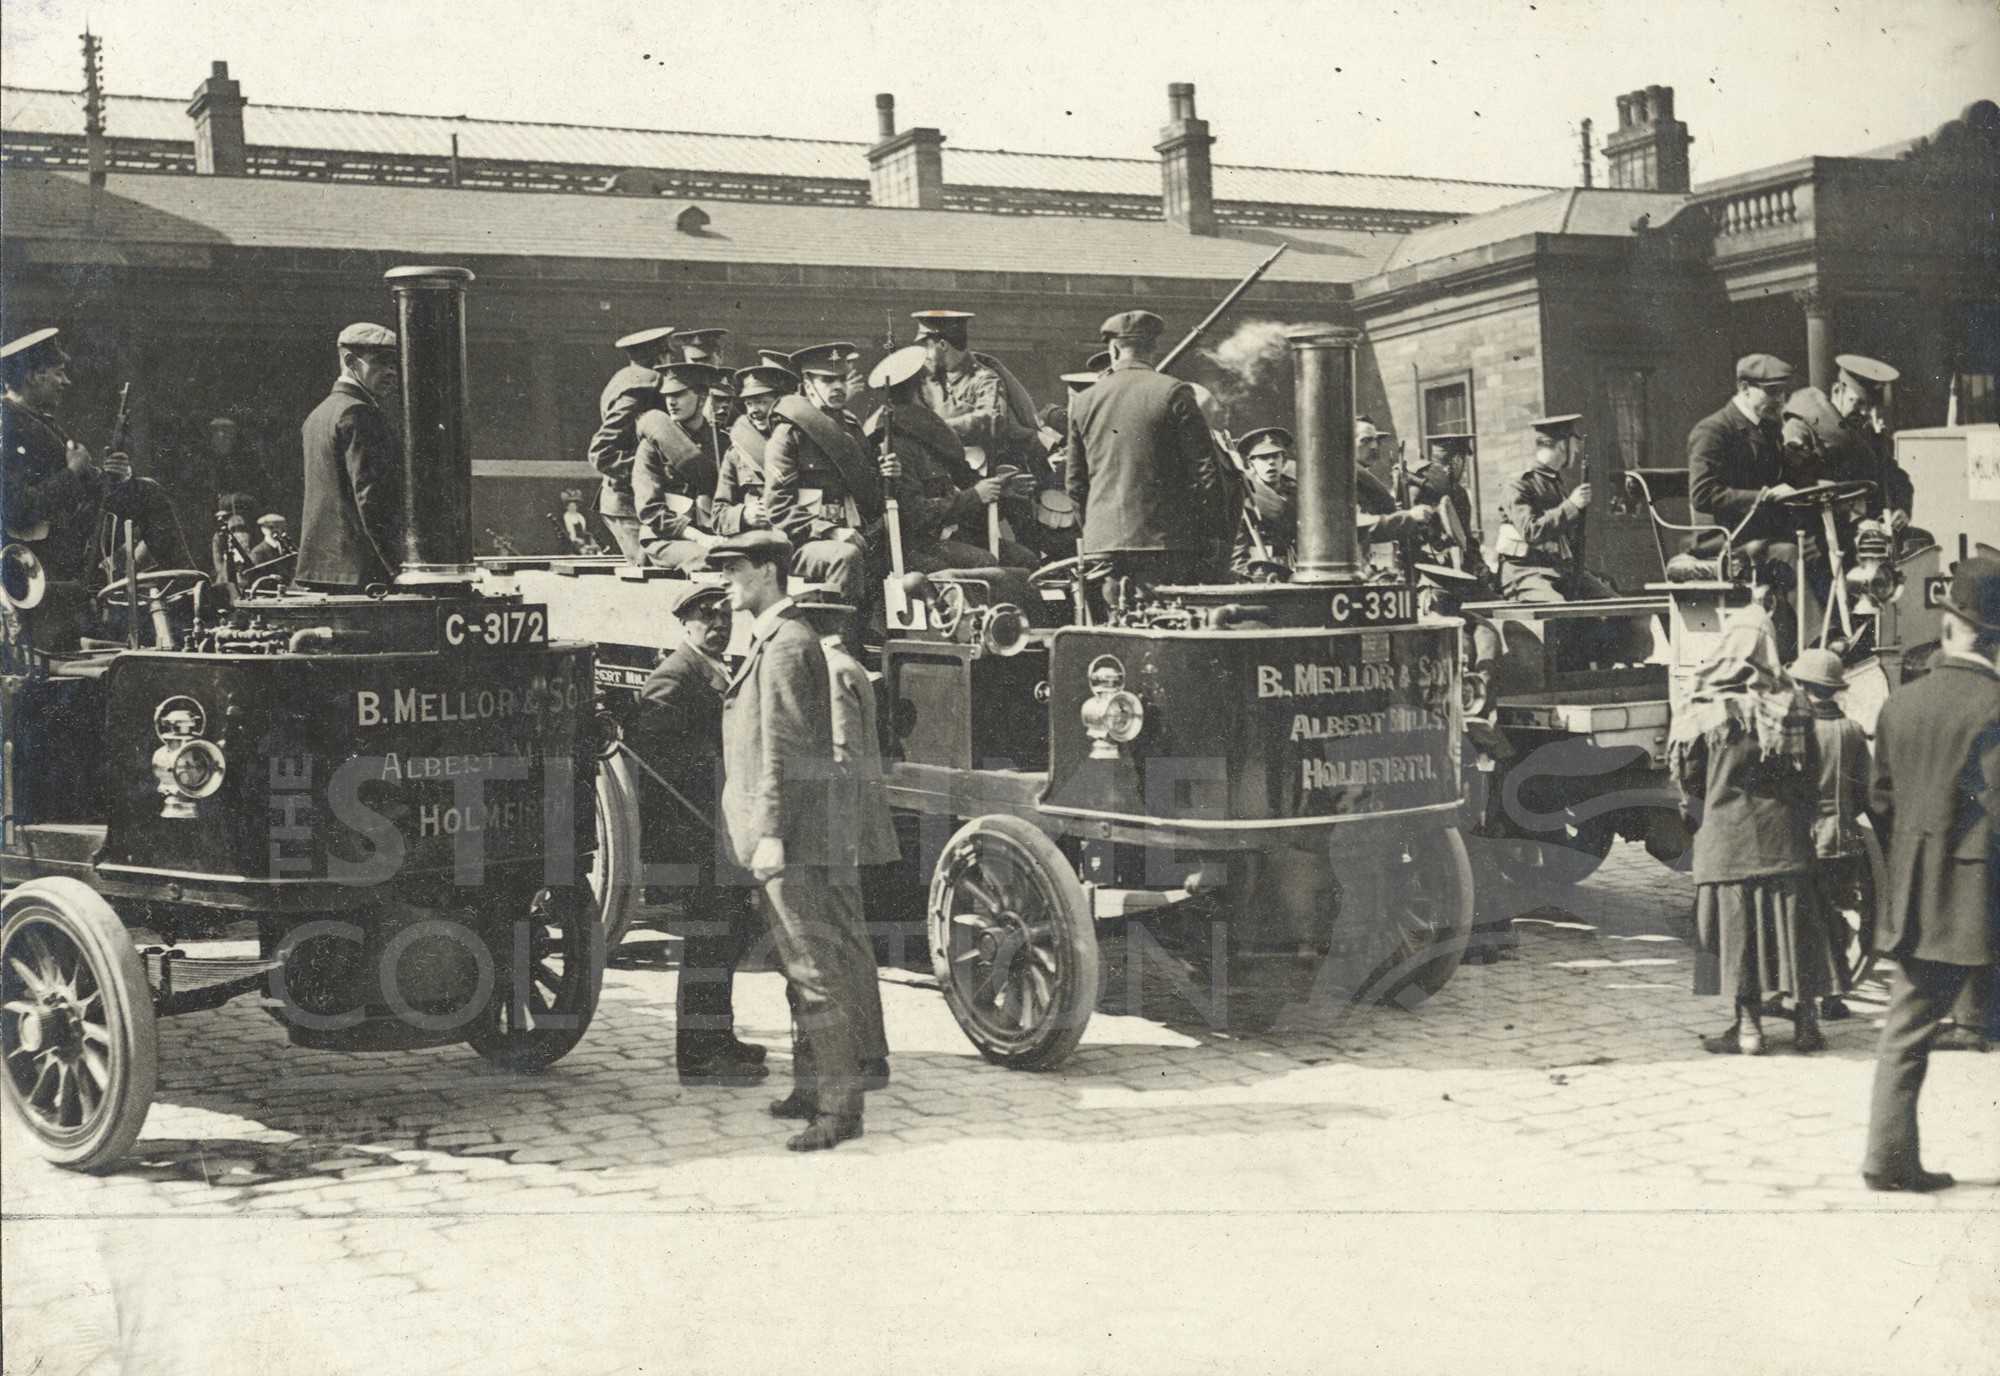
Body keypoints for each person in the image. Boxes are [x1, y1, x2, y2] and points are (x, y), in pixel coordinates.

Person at [706, 529, 873, 1151]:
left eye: (736, 569)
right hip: (783, 832)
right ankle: (810, 1088)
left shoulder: (783, 645)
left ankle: (838, 1108)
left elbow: (783, 750)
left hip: (789, 836)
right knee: (794, 963)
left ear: (770, 574)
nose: (726, 581)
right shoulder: (776, 638)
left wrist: (772, 831)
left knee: (812, 968)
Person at [1860, 556, 2000, 1192]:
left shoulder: (1901, 704)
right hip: (1983, 894)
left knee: (1906, 1033)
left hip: (1921, 895)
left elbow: (1881, 804)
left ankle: (1886, 1160)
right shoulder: (1993, 708)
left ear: (1949, 627)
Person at [1669, 606, 1838, 1055]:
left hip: (1727, 840)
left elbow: (1689, 778)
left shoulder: (1704, 707)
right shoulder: (1795, 703)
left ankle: (1748, 1030)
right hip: (1785, 839)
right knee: (1796, 931)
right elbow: (1811, 774)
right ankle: (1807, 1027)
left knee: (1737, 935)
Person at [628, 581, 770, 1087]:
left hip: (720, 832)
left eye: (724, 614)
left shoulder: (714, 671)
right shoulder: (671, 680)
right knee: (709, 941)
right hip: (696, 835)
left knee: (727, 937)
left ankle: (719, 1037)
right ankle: (699, 1056)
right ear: (684, 623)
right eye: (706, 616)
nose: (718, 623)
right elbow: (663, 774)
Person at [2, 329, 196, 628]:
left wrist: (114, 477)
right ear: (34, 376)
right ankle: (190, 592)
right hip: (43, 557)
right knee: (148, 495)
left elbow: (89, 485)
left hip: (66, 547)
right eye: (59, 373)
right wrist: (73, 472)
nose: (66, 382)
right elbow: (16, 508)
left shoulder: (37, 420)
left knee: (145, 492)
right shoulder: (9, 424)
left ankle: (184, 588)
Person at [1065, 309, 1235, 603]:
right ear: (1153, 350)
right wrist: (1212, 534)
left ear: (1114, 348)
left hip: (1105, 544)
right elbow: (1206, 471)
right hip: (1166, 541)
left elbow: (1075, 482)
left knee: (1117, 628)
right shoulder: (1174, 392)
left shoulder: (1083, 401)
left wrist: (1095, 527)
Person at [794, 598, 894, 1086]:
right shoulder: (846, 665)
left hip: (832, 829)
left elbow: (841, 759)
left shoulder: (832, 672)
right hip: (842, 827)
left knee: (842, 937)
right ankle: (862, 1050)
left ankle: (864, 1051)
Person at [863, 344, 1037, 574]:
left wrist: (1001, 488)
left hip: (950, 537)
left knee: (1025, 559)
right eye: (937, 384)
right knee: (986, 563)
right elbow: (917, 515)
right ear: (921, 389)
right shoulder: (896, 444)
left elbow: (967, 482)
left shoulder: (932, 435)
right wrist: (976, 496)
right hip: (917, 547)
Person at [762, 343, 877, 618]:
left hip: (852, 532)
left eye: (841, 379)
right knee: (845, 557)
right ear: (807, 384)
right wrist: (830, 531)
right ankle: (841, 649)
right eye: (827, 380)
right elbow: (778, 508)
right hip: (799, 543)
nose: (837, 387)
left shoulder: (850, 429)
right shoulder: (789, 434)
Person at [1788, 648, 1867, 1022]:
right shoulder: (1852, 730)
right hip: (1845, 840)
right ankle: (1835, 995)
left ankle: (1804, 999)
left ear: (1804, 686)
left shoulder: (1798, 731)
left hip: (1805, 840)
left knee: (1805, 919)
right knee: (1838, 916)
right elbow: (1865, 789)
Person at [297, 322, 403, 590]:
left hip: (324, 572)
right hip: (363, 574)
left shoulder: (319, 414)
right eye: (380, 363)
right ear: (349, 361)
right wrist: (398, 568)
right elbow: (371, 498)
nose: (391, 372)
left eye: (394, 364)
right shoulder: (359, 413)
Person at [1495, 414, 1617, 603]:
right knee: (1558, 608)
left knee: (1615, 604)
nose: (1576, 451)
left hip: (1561, 571)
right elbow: (1531, 530)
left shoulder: (1555, 482)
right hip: (1525, 573)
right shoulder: (1518, 484)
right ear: (1562, 445)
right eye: (1574, 444)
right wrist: (1571, 506)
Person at [1687, 353, 1796, 552]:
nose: (1780, 400)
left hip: (1761, 530)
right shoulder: (1713, 430)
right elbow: (1702, 494)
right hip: (1725, 537)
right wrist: (1764, 496)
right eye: (1772, 391)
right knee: (1789, 553)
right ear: (1745, 388)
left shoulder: (1768, 428)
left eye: (1783, 392)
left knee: (1822, 547)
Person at [588, 326, 675, 562]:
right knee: (651, 574)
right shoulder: (642, 387)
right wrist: (648, 470)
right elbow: (601, 452)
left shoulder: (624, 379)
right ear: (660, 357)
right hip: (628, 503)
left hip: (628, 501)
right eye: (668, 354)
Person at [630, 362, 726, 569]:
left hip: (714, 534)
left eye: (679, 395)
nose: (671, 402)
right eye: (667, 396)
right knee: (708, 559)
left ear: (702, 398)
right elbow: (650, 511)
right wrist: (700, 537)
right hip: (667, 539)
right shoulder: (652, 446)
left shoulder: (722, 442)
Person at [1823, 354, 1916, 534]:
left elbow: (1897, 478)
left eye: (1869, 406)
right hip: (1835, 529)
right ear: (1837, 391)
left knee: (1921, 542)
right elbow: (1819, 489)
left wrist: (1902, 508)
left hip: (1874, 526)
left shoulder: (1871, 438)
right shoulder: (1818, 433)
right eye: (1857, 403)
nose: (1864, 412)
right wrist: (1857, 520)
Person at [711, 360, 795, 537]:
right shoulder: (737, 453)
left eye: (761, 402)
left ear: (781, 403)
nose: (754, 410)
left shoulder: (801, 445)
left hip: (796, 535)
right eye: (749, 404)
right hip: (755, 542)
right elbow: (718, 515)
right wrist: (744, 515)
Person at [1231, 427, 1297, 579]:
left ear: (1284, 460)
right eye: (1263, 457)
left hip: (1292, 566)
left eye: (1275, 456)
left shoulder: (1297, 491)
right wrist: (1247, 577)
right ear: (1250, 463)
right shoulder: (1244, 495)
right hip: (1258, 568)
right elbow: (1237, 549)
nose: (1271, 462)